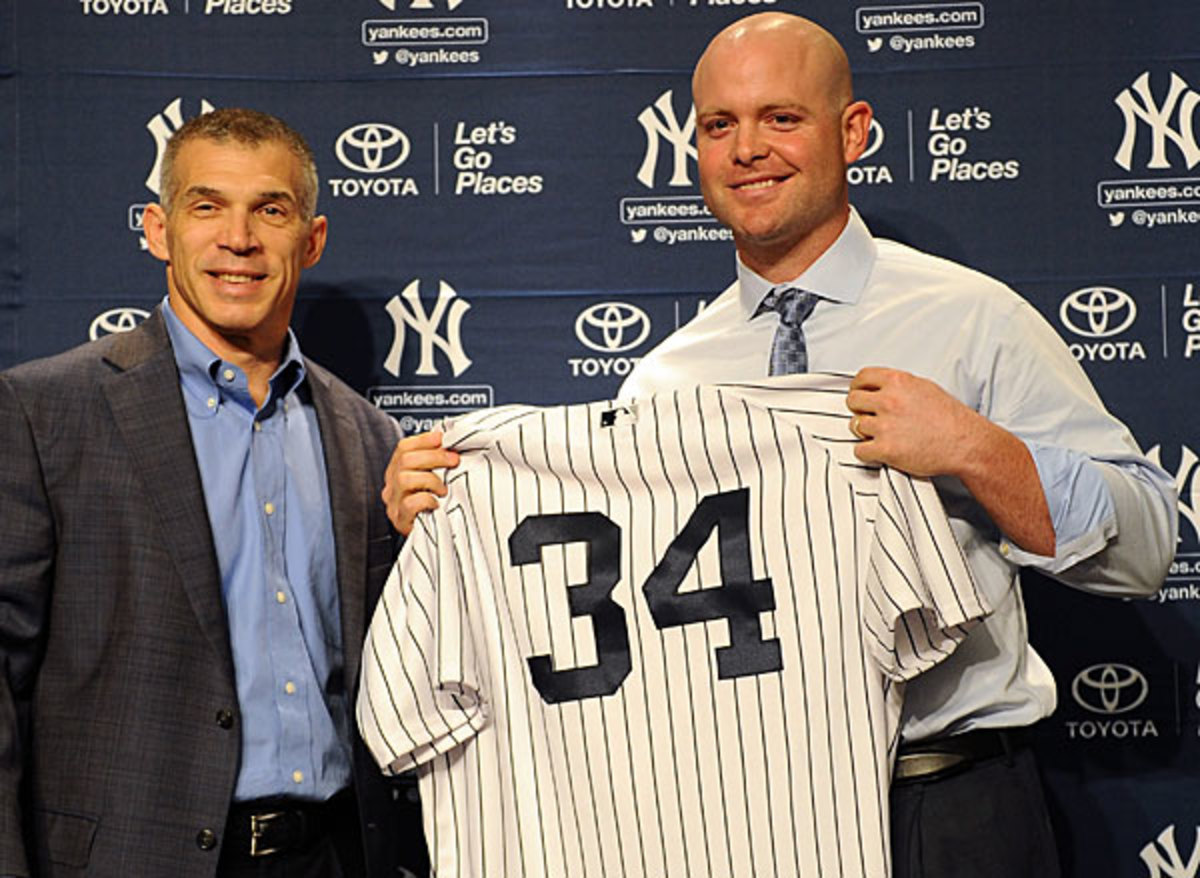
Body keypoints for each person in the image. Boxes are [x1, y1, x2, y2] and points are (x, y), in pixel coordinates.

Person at [381, 12, 1177, 878]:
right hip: (745, 814)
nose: (747, 148)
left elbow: (1145, 548)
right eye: (720, 125)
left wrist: (975, 448)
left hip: (949, 804)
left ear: (854, 132)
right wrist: (445, 500)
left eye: (781, 118)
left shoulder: (972, 319)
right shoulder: (663, 383)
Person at [0, 108, 425, 878]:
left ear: (312, 238)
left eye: (271, 209)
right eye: (207, 207)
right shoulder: (43, 412)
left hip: (333, 857)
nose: (239, 239)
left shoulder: (370, 439)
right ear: (159, 231)